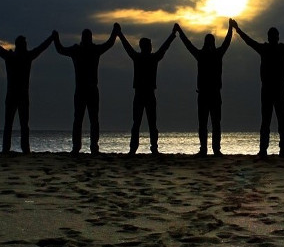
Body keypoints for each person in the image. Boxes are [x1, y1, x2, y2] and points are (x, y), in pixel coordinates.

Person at [232, 21, 284, 156]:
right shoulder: (270, 49)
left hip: (277, 90)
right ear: (272, 37)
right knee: (269, 121)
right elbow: (250, 41)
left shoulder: (278, 49)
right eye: (272, 36)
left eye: (274, 36)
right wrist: (238, 30)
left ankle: (278, 150)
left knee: (279, 121)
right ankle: (268, 149)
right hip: (269, 90)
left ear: (276, 37)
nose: (273, 38)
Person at [0, 32, 53, 154]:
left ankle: (13, 149)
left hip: (15, 95)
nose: (25, 46)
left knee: (15, 124)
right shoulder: (22, 57)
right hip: (18, 95)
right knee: (18, 124)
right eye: (24, 44)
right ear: (20, 45)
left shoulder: (14, 56)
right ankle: (18, 149)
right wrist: (51, 38)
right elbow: (40, 48)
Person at [53, 25, 119, 154]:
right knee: (83, 119)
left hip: (88, 89)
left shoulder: (85, 50)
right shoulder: (82, 50)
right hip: (84, 90)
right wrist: (55, 39)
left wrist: (55, 39)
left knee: (88, 119)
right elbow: (60, 49)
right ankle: (80, 147)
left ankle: (88, 147)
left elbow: (60, 49)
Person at [117, 25, 177, 154]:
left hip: (144, 93)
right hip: (144, 93)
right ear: (145, 46)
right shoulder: (147, 58)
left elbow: (128, 47)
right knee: (144, 123)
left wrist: (120, 34)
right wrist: (172, 35)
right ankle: (144, 148)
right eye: (149, 45)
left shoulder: (142, 58)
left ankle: (141, 148)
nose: (150, 47)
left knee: (144, 123)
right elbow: (163, 48)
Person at [176, 21, 233, 155]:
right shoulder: (205, 55)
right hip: (205, 94)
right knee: (206, 123)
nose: (209, 45)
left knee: (213, 123)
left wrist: (230, 28)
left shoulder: (211, 54)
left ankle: (214, 149)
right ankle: (206, 149)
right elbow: (188, 44)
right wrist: (180, 31)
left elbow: (226, 42)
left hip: (212, 94)